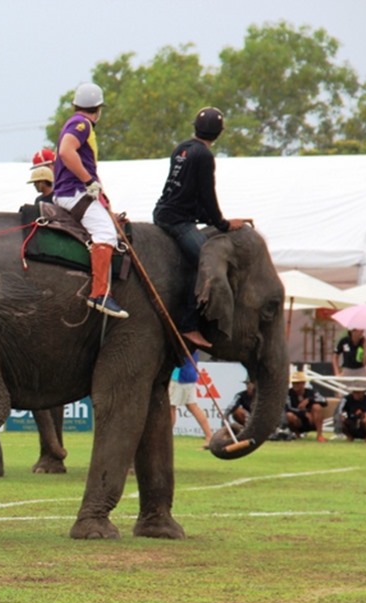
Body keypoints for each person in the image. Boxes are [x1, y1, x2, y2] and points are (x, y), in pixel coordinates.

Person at [153, 107, 248, 349]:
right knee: (206, 260)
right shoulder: (205, 157)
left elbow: (187, 192)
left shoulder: (182, 148)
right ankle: (188, 324)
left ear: (195, 127)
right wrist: (223, 224)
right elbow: (207, 195)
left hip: (163, 212)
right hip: (178, 221)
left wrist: (208, 218)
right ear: (219, 134)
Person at [52, 82, 128, 319]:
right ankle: (100, 294)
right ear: (98, 109)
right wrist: (87, 181)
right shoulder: (82, 123)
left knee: (107, 222)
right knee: (106, 234)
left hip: (71, 190)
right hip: (74, 192)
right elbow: (66, 152)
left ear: (76, 104)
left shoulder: (74, 123)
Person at [168, 357, 214, 448]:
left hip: (179, 376)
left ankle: (166, 437)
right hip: (190, 375)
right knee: (193, 406)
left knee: (171, 407)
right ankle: (209, 436)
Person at [284, 369, 328, 442]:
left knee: (317, 407)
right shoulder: (288, 394)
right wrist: (304, 414)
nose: (295, 385)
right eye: (294, 383)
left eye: (298, 383)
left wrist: (309, 400)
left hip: (312, 420)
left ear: (303, 383)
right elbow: (288, 408)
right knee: (289, 415)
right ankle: (296, 434)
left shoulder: (311, 392)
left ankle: (319, 435)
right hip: (298, 420)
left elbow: (324, 401)